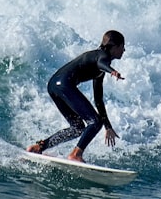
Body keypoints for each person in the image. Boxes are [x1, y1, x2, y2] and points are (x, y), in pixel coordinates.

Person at [26, 30, 125, 163]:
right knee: (95, 122)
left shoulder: (98, 66)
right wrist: (112, 71)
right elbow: (103, 63)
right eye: (122, 46)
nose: (124, 50)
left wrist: (108, 127)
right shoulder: (102, 56)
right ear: (115, 46)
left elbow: (98, 100)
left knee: (78, 128)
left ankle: (40, 146)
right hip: (64, 85)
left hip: (54, 85)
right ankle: (76, 154)